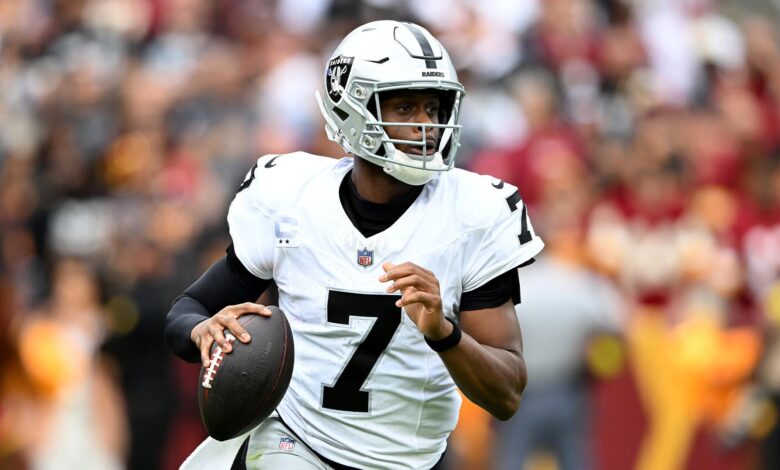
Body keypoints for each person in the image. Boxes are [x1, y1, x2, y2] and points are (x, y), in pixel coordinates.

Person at [165, 20, 544, 470]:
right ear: (352, 108)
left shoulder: (474, 212)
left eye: (433, 107)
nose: (426, 125)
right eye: (405, 107)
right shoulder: (291, 196)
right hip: (297, 442)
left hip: (410, 461)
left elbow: (506, 395)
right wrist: (201, 331)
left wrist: (445, 333)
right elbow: (186, 312)